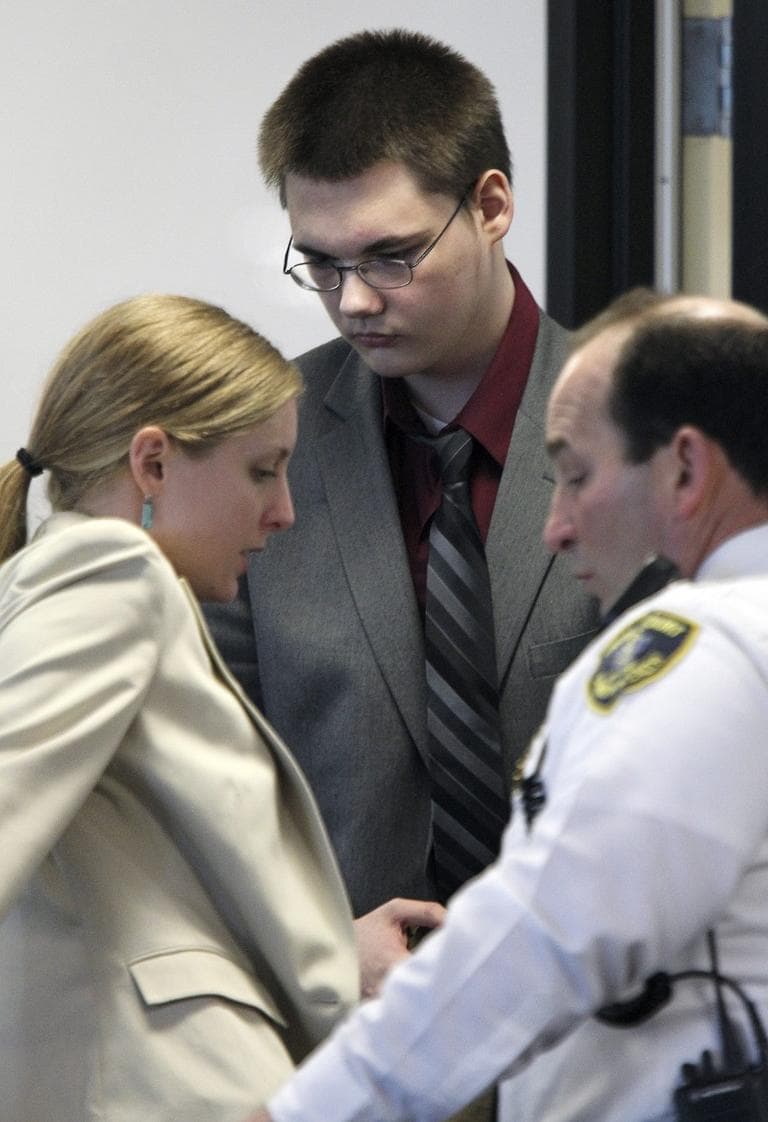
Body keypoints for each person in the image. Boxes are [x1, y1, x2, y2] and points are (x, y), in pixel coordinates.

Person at [243, 290, 768, 1122]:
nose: (555, 526)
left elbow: (544, 932)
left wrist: (305, 1112)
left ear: (687, 471)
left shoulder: (700, 647)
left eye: (577, 474)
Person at [206, 28, 601, 923]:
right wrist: (324, 955)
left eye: (392, 256)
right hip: (341, 1023)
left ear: (491, 204)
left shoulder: (645, 437)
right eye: (320, 262)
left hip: (605, 1022)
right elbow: (215, 776)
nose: (353, 300)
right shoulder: (259, 441)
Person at [0, 292, 372, 1122]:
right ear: (154, 463)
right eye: (262, 468)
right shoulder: (111, 574)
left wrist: (340, 950)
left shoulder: (52, 582)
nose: (284, 511)